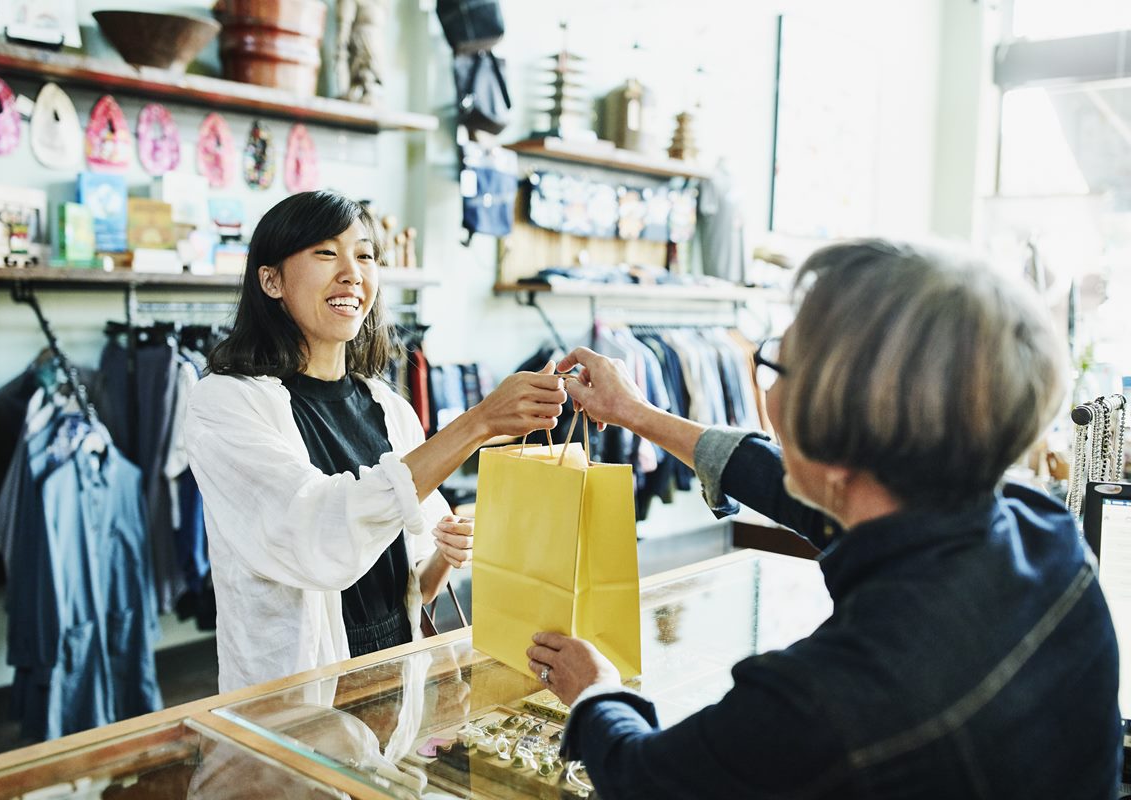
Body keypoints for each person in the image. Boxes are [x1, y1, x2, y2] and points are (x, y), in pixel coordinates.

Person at [526, 239, 1122, 798]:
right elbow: (791, 487)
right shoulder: (1046, 532)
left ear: (837, 441)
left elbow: (646, 779)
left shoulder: (825, 700)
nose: (769, 386)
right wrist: (636, 413)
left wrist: (595, 695)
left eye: (781, 366)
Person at [186, 190, 565, 691]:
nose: (352, 273)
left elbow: (413, 589)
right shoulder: (225, 404)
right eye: (326, 253)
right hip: (295, 698)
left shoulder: (392, 411)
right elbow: (315, 532)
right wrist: (479, 423)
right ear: (271, 280)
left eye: (365, 254)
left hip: (393, 684)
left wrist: (445, 558)